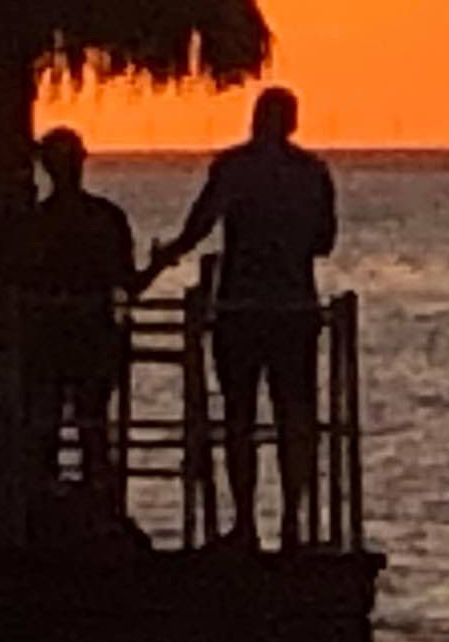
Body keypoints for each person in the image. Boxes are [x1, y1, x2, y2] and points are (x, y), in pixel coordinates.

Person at [142, 86, 340, 548]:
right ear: (292, 122)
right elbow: (324, 241)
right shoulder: (311, 174)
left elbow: (199, 226)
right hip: (293, 308)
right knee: (295, 417)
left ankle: (248, 524)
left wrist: (160, 262)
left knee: (240, 419)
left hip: (242, 310)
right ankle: (293, 524)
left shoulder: (234, 168)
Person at [26, 126, 135, 500]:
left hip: (69, 335)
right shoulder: (103, 218)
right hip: (77, 335)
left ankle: (69, 493)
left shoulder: (40, 221)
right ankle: (87, 493)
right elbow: (127, 280)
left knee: (67, 423)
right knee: (81, 424)